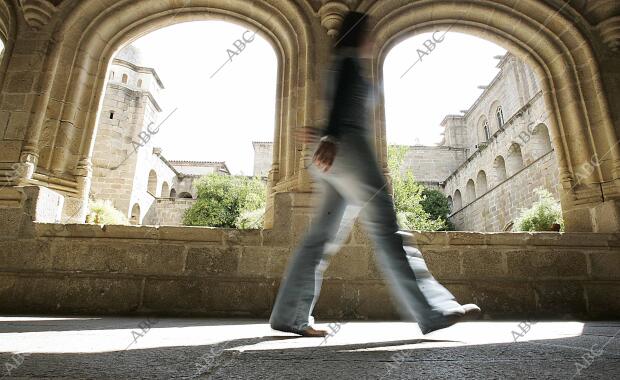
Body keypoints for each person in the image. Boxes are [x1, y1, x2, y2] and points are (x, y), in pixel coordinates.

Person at [269, 11, 480, 337]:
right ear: (360, 34)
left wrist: (324, 134)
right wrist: (332, 136)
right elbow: (341, 105)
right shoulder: (351, 62)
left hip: (333, 156)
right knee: (386, 229)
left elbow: (337, 103)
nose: (372, 41)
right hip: (347, 149)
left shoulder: (339, 62)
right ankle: (433, 308)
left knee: (321, 238)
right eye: (369, 34)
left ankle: (291, 315)